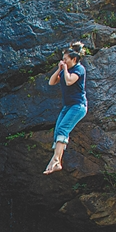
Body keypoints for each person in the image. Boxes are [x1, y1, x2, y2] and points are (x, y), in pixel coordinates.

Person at [44, 42, 87, 174]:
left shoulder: (79, 69)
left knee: (63, 129)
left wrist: (65, 70)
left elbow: (69, 81)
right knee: (58, 131)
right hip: (68, 106)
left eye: (65, 59)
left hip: (78, 106)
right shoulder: (64, 71)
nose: (63, 61)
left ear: (74, 59)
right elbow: (51, 82)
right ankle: (56, 161)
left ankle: (56, 160)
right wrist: (59, 69)